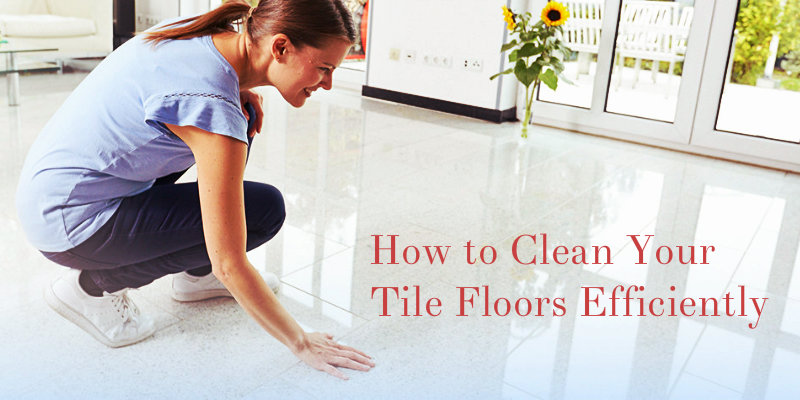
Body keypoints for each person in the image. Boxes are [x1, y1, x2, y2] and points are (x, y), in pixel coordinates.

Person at [15, 0, 374, 380]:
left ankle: (195, 275)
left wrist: (238, 90)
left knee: (240, 120)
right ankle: (91, 289)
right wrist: (301, 342)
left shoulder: (198, 32)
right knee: (264, 211)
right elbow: (231, 264)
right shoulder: (212, 105)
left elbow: (179, 93)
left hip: (52, 189)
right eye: (324, 68)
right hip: (68, 224)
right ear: (281, 47)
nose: (328, 83)